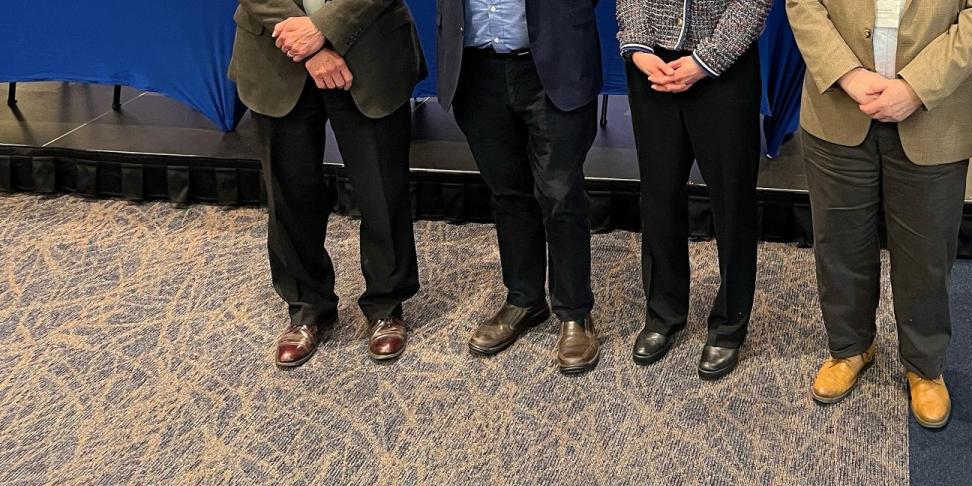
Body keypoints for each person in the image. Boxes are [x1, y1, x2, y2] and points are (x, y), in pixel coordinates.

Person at [787, 0, 972, 428]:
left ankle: (924, 366)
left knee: (927, 250)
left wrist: (915, 87)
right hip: (838, 104)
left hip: (935, 111)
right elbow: (803, 4)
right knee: (839, 240)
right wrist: (847, 74)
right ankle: (849, 348)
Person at [230, 0, 427, 369]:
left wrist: (322, 32)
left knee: (382, 189)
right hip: (276, 52)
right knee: (288, 191)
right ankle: (306, 308)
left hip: (369, 50)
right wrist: (308, 44)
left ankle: (386, 305)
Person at [435, 0, 604, 375]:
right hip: (475, 66)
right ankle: (525, 299)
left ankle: (575, 312)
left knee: (560, 193)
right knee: (507, 192)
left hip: (553, 62)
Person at [617, 0, 773, 379]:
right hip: (652, 66)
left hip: (724, 71)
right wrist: (638, 46)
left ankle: (729, 324)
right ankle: (664, 314)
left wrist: (707, 60)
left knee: (732, 201)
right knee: (658, 196)